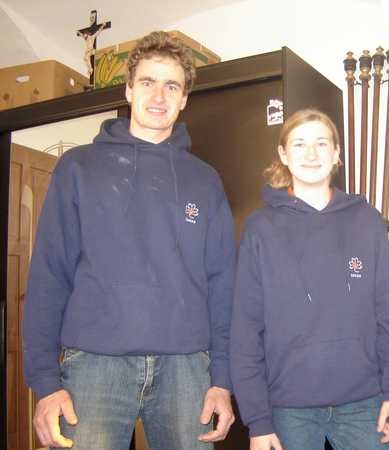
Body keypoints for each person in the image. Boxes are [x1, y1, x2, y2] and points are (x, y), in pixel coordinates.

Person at [23, 31, 236, 450]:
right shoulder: (78, 168)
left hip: (186, 368)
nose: (158, 96)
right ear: (128, 90)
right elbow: (49, 275)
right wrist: (46, 383)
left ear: (184, 99)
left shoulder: (205, 181)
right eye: (147, 82)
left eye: (171, 86)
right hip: (94, 366)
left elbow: (223, 285)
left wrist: (223, 380)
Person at [230, 108, 389, 450]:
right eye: (299, 144)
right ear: (284, 154)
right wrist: (257, 419)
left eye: (321, 143)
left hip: (365, 403)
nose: (311, 154)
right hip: (287, 408)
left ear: (336, 153)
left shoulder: (366, 221)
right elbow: (246, 329)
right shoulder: (260, 228)